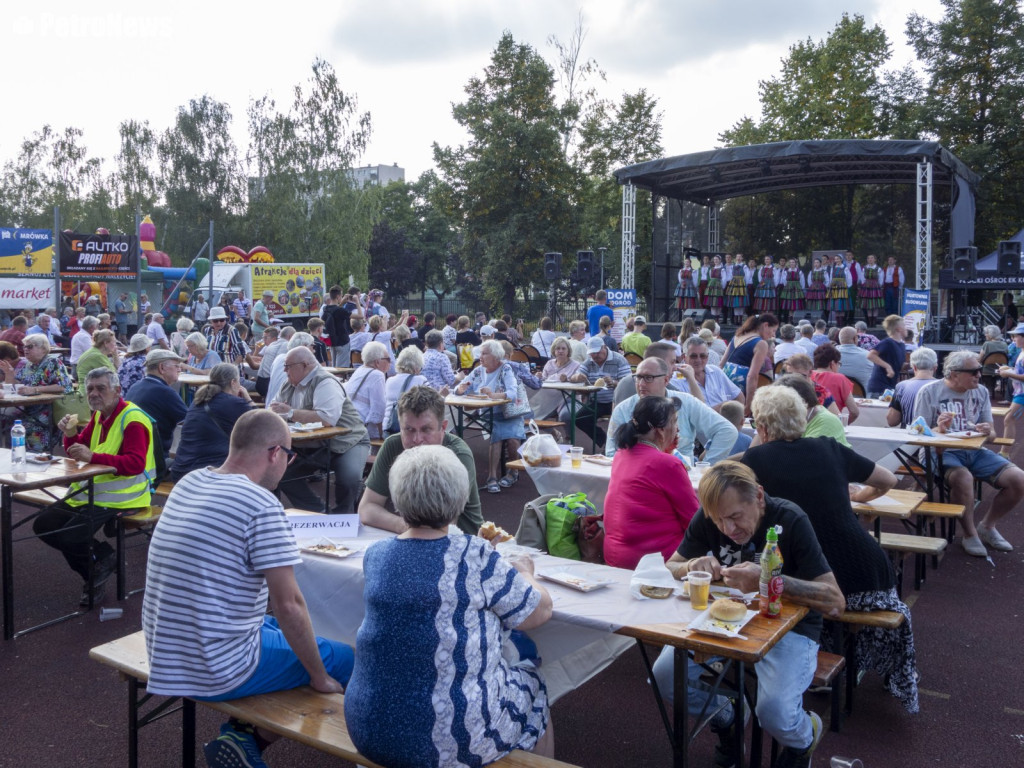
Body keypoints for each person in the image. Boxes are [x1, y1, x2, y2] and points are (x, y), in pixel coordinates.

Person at [143, 409, 352, 767]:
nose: (287, 464)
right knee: (345, 659)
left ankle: (242, 735)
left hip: (164, 648)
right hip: (214, 664)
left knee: (301, 639)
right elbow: (289, 606)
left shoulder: (190, 482)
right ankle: (249, 738)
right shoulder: (261, 504)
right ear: (275, 453)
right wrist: (320, 677)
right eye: (289, 456)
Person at [346, 444, 553, 767]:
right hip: (450, 740)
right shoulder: (475, 555)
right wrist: (526, 573)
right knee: (534, 684)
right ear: (459, 499)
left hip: (368, 727)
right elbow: (537, 612)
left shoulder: (377, 555)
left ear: (398, 498)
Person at [653, 461, 843, 768]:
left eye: (735, 517)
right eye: (718, 521)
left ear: (758, 496)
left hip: (789, 629)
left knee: (774, 712)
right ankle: (729, 715)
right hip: (719, 622)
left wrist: (768, 581)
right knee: (665, 677)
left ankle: (802, 739)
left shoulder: (791, 519)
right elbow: (670, 566)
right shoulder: (708, 516)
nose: (728, 530)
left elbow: (835, 601)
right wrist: (691, 566)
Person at [745, 386, 918, 713]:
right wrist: (857, 499)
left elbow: (721, 476)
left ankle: (823, 663)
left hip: (810, 573)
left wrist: (758, 441)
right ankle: (850, 661)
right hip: (867, 572)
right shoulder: (830, 448)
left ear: (763, 426)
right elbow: (887, 481)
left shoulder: (755, 459)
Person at [33, 368, 156, 606]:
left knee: (71, 538)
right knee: (43, 525)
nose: (94, 393)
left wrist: (93, 457)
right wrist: (69, 434)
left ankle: (95, 573)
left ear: (117, 391)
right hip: (92, 491)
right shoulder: (100, 415)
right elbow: (79, 451)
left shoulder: (133, 419)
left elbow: (135, 463)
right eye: (90, 388)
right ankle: (102, 559)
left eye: (101, 388)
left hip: (124, 497)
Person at [913, 349, 1024, 556]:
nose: (979, 375)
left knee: (1019, 479)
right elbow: (918, 433)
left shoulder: (980, 391)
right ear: (954, 374)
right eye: (974, 371)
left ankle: (987, 526)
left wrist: (986, 430)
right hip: (940, 452)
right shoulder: (929, 392)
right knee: (963, 478)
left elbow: (991, 435)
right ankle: (969, 534)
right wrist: (940, 429)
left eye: (979, 371)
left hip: (974, 450)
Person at [359, 386, 484, 535]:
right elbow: (366, 509)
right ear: (400, 427)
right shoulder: (393, 445)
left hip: (463, 543)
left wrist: (408, 531)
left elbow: (443, 527)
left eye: (426, 430)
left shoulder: (458, 454)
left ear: (443, 427)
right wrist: (406, 528)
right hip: (416, 538)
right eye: (409, 429)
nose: (417, 440)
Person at [269, 347, 371, 514]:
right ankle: (320, 514)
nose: (284, 370)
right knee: (281, 475)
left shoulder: (325, 382)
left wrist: (290, 412)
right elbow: (273, 409)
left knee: (349, 479)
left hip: (349, 441)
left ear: (305, 365)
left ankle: (344, 517)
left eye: (288, 366)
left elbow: (326, 419)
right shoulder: (288, 384)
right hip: (314, 445)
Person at [603, 396, 698, 568]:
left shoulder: (621, 454)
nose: (678, 429)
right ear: (660, 430)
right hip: (653, 562)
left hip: (614, 554)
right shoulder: (668, 464)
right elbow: (693, 521)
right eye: (675, 422)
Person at [607, 356, 736, 466]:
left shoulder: (686, 402)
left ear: (666, 380)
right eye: (638, 377)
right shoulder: (623, 409)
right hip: (638, 474)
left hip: (679, 472)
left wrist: (708, 466)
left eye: (648, 378)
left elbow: (727, 431)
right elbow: (611, 453)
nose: (641, 384)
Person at [456, 340, 528, 493]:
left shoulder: (505, 368)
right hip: (489, 414)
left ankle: (513, 471)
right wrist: (460, 389)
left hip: (509, 413)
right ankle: (492, 476)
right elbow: (459, 386)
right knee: (497, 435)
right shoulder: (478, 370)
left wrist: (494, 394)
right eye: (480, 353)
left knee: (513, 439)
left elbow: (513, 393)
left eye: (484, 353)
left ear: (495, 356)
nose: (480, 356)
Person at [170, 363, 255, 480]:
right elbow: (263, 424)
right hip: (207, 474)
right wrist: (249, 400)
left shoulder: (198, 400)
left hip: (181, 471)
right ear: (233, 382)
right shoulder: (234, 403)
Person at [0, 333, 73, 451]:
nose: (25, 350)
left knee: (23, 427)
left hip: (47, 409)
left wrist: (35, 389)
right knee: (8, 423)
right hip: (27, 409)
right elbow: (15, 386)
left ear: (43, 348)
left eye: (30, 347)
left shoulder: (52, 362)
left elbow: (64, 386)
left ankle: (36, 456)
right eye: (24, 347)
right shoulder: (28, 365)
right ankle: (14, 457)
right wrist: (9, 374)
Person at [563, 336, 632, 449]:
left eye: (597, 352)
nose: (595, 356)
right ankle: (606, 442)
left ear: (604, 347)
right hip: (596, 400)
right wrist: (578, 377)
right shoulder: (589, 361)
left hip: (616, 401)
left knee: (620, 422)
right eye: (592, 353)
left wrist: (614, 383)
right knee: (580, 419)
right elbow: (574, 377)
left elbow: (628, 383)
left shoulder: (619, 359)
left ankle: (618, 446)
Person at [126, 348, 188, 457]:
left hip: (133, 451)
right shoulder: (165, 392)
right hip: (155, 458)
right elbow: (190, 421)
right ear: (162, 368)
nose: (179, 370)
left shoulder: (135, 387)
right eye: (177, 366)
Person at [720, 312, 779, 415]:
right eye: (773, 330)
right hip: (741, 391)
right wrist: (749, 405)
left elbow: (721, 364)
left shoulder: (737, 337)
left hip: (725, 385)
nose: (773, 335)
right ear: (765, 325)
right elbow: (752, 376)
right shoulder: (761, 343)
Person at [677, 335, 743, 412]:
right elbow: (693, 415)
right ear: (684, 357)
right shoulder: (677, 380)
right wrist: (720, 408)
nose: (698, 360)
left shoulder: (715, 371)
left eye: (703, 356)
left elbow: (739, 397)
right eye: (693, 356)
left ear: (707, 357)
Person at [345, 340, 389, 437]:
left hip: (349, 423)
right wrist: (383, 437)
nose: (390, 362)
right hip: (363, 430)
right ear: (377, 362)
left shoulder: (360, 370)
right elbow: (379, 409)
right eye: (388, 359)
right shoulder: (377, 375)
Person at [887, 346, 939, 428]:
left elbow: (892, 421)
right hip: (936, 438)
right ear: (935, 367)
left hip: (909, 438)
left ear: (914, 367)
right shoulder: (943, 387)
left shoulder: (902, 386)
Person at [383, 346, 428, 434]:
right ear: (416, 367)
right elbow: (432, 403)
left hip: (389, 428)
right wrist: (443, 394)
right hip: (410, 430)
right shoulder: (420, 380)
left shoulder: (389, 381)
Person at [810, 344, 859, 422]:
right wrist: (841, 426)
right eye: (838, 364)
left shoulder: (806, 376)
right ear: (832, 363)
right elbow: (854, 412)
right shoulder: (840, 379)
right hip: (830, 425)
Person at [866, 314, 906, 398]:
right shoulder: (887, 342)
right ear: (898, 329)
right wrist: (888, 367)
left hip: (890, 387)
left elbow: (897, 365)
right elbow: (870, 355)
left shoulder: (902, 345)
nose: (906, 328)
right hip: (879, 387)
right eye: (904, 325)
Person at [997, 323, 1024, 447]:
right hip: (1020, 392)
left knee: (1009, 419)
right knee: (1009, 419)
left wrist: (1008, 374)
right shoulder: (1022, 352)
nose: (1013, 339)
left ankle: (1004, 454)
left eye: (1016, 336)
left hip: (1022, 394)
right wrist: (1010, 369)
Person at [836, 326, 874, 394]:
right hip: (863, 398)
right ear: (855, 339)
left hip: (836, 399)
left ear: (840, 339)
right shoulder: (868, 356)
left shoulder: (829, 355)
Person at [321, 285, 352, 367]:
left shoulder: (326, 309)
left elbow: (336, 309)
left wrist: (342, 301)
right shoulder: (340, 310)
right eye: (341, 295)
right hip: (342, 341)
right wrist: (357, 301)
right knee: (341, 369)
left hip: (332, 341)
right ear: (338, 296)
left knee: (334, 368)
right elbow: (360, 315)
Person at [859, 254, 885, 327]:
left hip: (875, 286)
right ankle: (870, 323)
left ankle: (874, 323)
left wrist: (878, 285)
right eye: (869, 258)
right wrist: (865, 284)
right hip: (867, 287)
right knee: (868, 305)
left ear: (875, 259)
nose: (870, 260)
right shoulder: (864, 268)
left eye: (872, 258)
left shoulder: (878, 269)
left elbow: (881, 279)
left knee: (875, 305)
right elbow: (862, 278)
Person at [826, 254, 852, 326]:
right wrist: (831, 286)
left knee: (842, 305)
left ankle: (842, 322)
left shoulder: (845, 268)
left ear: (841, 259)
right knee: (836, 305)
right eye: (835, 259)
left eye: (838, 259)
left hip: (842, 287)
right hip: (834, 287)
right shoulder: (833, 268)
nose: (836, 260)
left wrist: (847, 287)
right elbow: (831, 277)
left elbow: (849, 278)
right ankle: (838, 322)